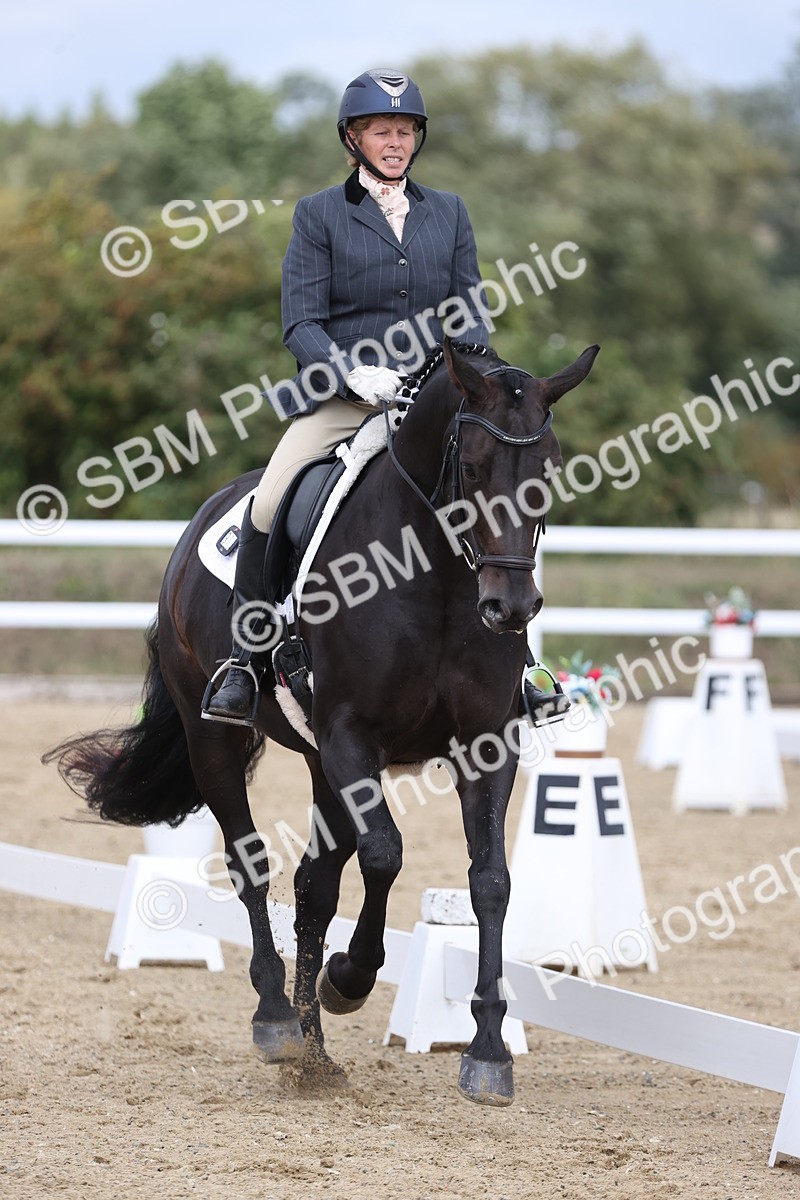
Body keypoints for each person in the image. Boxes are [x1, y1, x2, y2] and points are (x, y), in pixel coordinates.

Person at [202, 67, 491, 724]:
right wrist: (347, 372)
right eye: (382, 130)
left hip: (430, 402)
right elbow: (300, 320)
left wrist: (478, 373)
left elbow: (468, 312)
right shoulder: (320, 214)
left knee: (502, 495)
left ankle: (524, 662)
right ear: (353, 139)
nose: (396, 142)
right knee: (271, 500)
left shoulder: (448, 211)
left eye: (405, 130)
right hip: (343, 402)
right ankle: (244, 666)